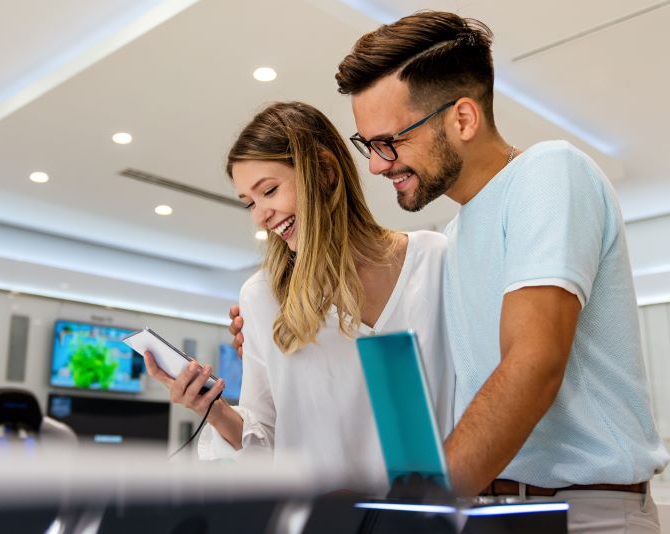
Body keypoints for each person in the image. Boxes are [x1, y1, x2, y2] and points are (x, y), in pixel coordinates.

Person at [231, 10, 668, 533]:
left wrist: (418, 504)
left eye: (391, 141)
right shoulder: (455, 239)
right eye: (368, 146)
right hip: (497, 512)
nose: (376, 165)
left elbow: (532, 365)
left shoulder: (549, 172)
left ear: (462, 118)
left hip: (587, 515)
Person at [144, 101, 454, 493]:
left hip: (432, 517)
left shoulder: (434, 259)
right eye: (250, 203)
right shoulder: (263, 296)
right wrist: (212, 409)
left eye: (269, 191)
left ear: (324, 172)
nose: (261, 215)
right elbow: (264, 442)